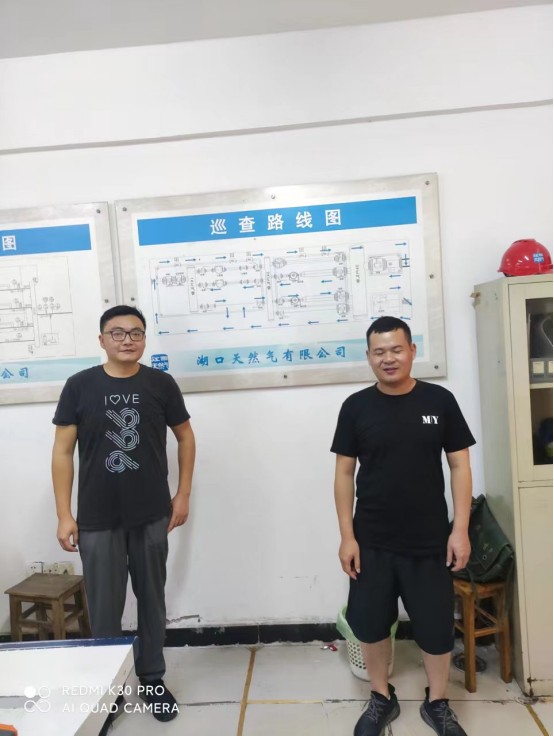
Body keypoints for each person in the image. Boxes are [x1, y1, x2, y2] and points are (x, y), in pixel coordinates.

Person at [52, 305, 195, 724]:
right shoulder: (79, 386)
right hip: (97, 518)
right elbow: (62, 452)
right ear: (102, 340)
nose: (127, 340)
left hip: (152, 513)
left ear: (145, 339)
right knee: (104, 607)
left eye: (136, 333)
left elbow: (186, 437)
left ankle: (152, 678)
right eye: (117, 333)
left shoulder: (161, 384)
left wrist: (183, 494)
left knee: (152, 599)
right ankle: (108, 686)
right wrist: (64, 514)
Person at [331, 316, 474, 736]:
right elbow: (343, 474)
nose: (388, 358)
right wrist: (347, 537)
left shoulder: (440, 401)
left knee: (435, 626)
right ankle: (381, 696)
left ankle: (438, 702)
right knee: (371, 623)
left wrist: (460, 529)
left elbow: (460, 465)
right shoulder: (355, 407)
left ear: (412, 351)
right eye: (379, 352)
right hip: (372, 540)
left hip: (430, 540)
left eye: (396, 349)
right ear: (369, 357)